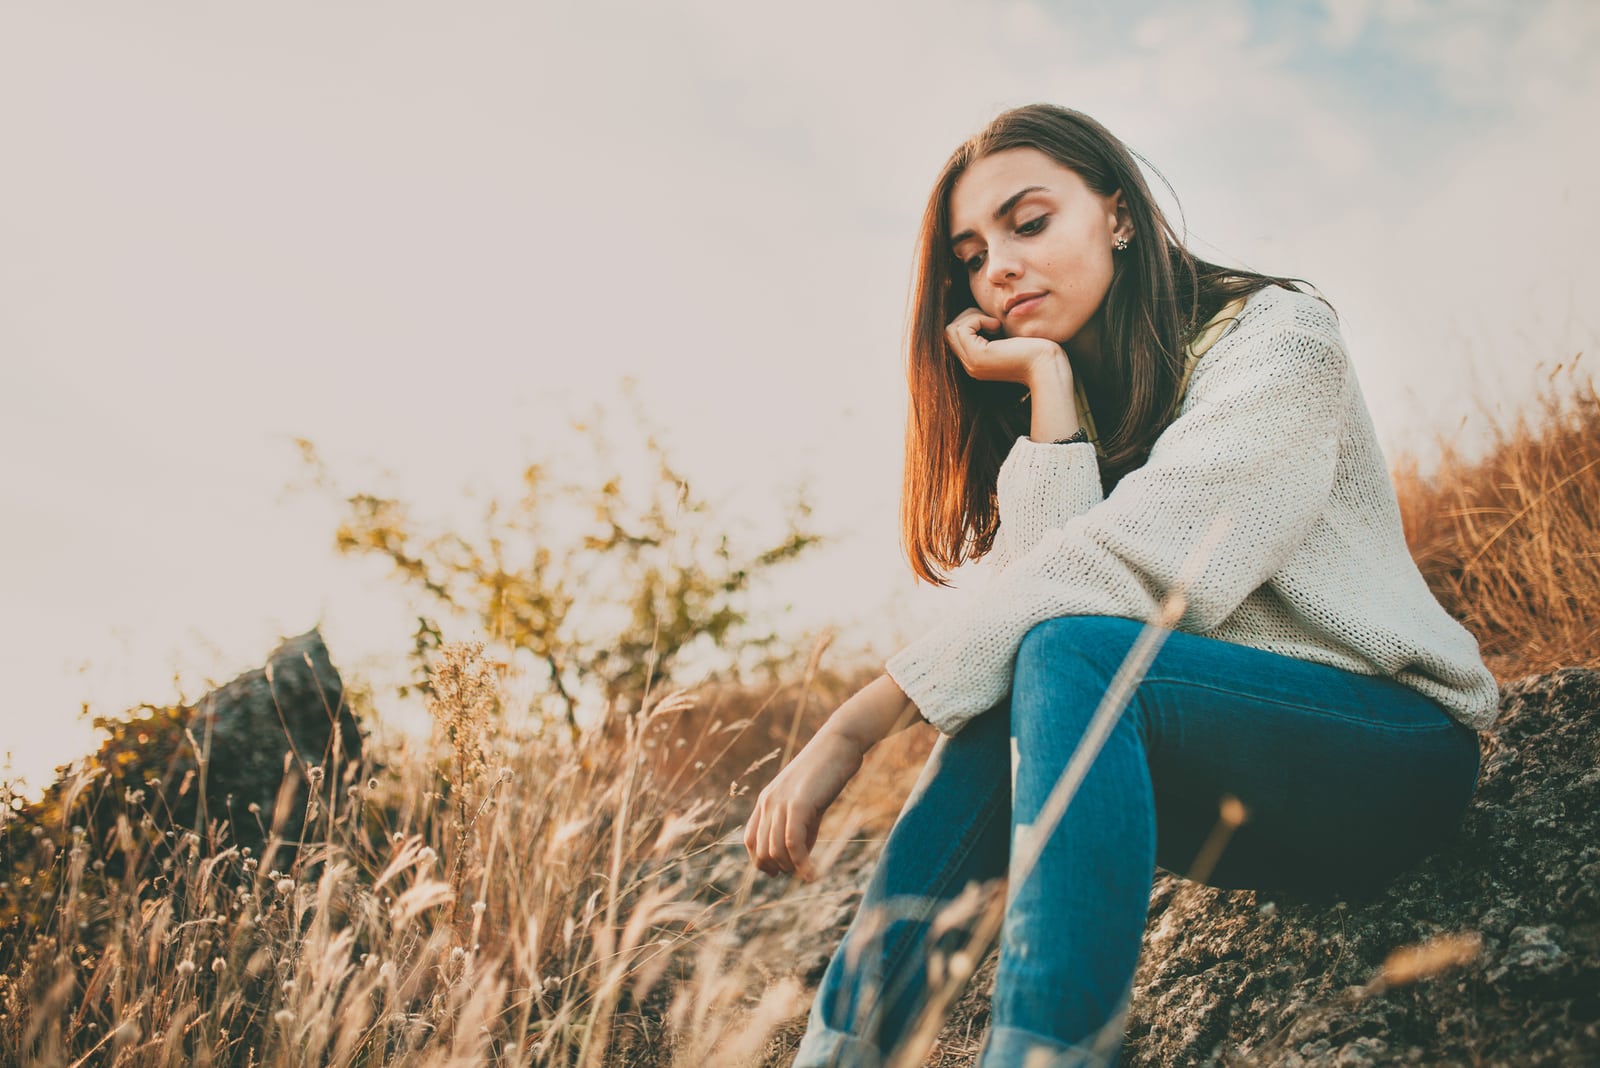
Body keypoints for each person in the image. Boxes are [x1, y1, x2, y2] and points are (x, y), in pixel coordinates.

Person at [744, 104, 1499, 1068]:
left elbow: (1143, 569)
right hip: (1240, 789)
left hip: (1390, 755)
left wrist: (856, 723)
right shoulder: (1092, 399)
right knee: (1026, 676)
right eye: (972, 256)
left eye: (1029, 223)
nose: (998, 269)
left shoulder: (1281, 342)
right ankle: (840, 1055)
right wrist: (1048, 388)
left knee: (1066, 644)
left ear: (1119, 216)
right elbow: (1037, 631)